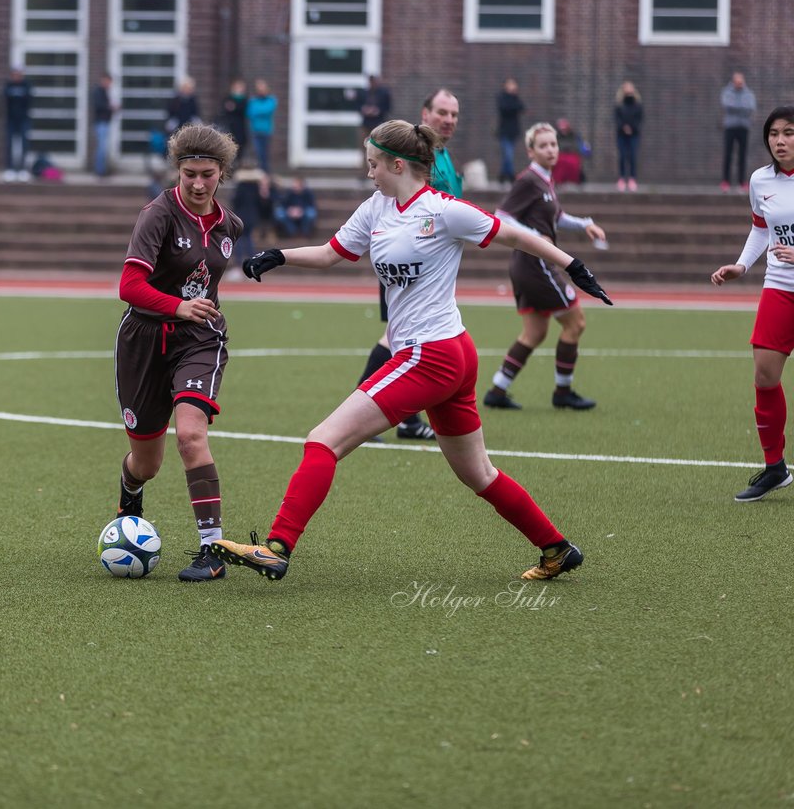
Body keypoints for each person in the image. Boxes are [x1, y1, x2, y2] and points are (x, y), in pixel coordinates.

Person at [209, 119, 613, 583]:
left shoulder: (444, 210)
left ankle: (277, 547)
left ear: (398, 164)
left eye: (374, 165)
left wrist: (573, 266)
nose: (369, 174)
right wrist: (280, 255)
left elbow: (516, 235)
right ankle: (558, 548)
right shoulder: (377, 207)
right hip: (447, 354)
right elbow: (330, 253)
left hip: (434, 354)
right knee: (478, 473)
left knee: (323, 440)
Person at [113, 123, 244, 582]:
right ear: (179, 171)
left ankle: (212, 551)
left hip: (200, 339)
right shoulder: (158, 215)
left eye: (207, 174)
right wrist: (176, 305)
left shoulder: (230, 225)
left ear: (222, 173)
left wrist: (192, 312)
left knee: (190, 435)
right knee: (146, 463)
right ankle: (130, 494)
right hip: (144, 341)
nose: (197, 183)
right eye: (189, 173)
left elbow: (204, 281)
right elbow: (129, 286)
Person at [357, 88, 463, 442]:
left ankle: (405, 418)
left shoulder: (444, 157)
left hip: (431, 265)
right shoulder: (410, 155)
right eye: (442, 112)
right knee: (397, 338)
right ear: (425, 113)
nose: (448, 120)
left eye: (454, 114)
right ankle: (366, 406)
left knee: (406, 340)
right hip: (405, 261)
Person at [483, 122, 609, 412]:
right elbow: (501, 216)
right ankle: (563, 392)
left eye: (554, 144)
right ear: (531, 151)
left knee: (535, 332)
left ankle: (497, 390)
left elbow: (558, 217)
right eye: (544, 146)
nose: (551, 149)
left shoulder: (544, 180)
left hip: (527, 264)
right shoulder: (528, 180)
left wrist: (585, 225)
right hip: (534, 262)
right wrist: (529, 234)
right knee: (575, 322)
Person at [709, 105, 794, 501]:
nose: (780, 140)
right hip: (778, 286)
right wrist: (742, 265)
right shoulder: (761, 180)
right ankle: (775, 467)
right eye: (774, 133)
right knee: (764, 376)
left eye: (789, 132)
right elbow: (761, 228)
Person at [230, 163, 271, 274]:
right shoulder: (256, 187)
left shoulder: (240, 186)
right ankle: (253, 264)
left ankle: (239, 266)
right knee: (248, 239)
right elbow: (262, 204)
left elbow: (235, 201)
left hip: (240, 216)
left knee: (239, 240)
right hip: (252, 216)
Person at [721, 71, 757, 192]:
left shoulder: (748, 93)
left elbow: (750, 107)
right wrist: (741, 107)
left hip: (744, 127)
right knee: (728, 154)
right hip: (730, 127)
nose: (739, 83)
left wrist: (736, 107)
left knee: (742, 155)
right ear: (733, 81)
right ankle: (726, 181)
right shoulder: (727, 92)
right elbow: (727, 105)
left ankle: (742, 182)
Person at [357, 74, 391, 176]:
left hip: (378, 125)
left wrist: (378, 111)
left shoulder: (383, 93)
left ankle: (378, 173)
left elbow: (387, 107)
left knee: (378, 150)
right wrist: (364, 110)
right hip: (365, 124)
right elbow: (357, 105)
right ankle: (364, 173)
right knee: (364, 149)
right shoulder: (364, 93)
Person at [4, 67, 33, 181]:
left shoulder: (27, 85)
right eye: (14, 74)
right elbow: (6, 99)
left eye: (19, 74)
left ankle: (23, 169)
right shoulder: (8, 85)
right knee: (9, 144)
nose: (17, 76)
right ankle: (10, 169)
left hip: (23, 120)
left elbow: (29, 100)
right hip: (11, 120)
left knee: (24, 145)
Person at [614, 81, 643, 191]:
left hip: (634, 134)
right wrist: (624, 127)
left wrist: (631, 128)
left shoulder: (637, 104)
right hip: (621, 134)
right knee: (622, 156)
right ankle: (621, 179)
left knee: (632, 156)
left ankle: (632, 179)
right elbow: (617, 119)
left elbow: (639, 119)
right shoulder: (619, 104)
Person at [496, 78, 525, 183]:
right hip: (504, 131)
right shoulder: (502, 97)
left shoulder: (515, 98)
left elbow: (521, 107)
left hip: (513, 131)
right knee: (508, 154)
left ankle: (503, 176)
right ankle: (511, 176)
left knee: (508, 154)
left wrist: (514, 96)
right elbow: (505, 108)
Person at [246, 78, 277, 174]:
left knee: (265, 153)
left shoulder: (271, 100)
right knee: (258, 152)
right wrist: (260, 111)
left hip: (266, 130)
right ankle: (260, 170)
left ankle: (265, 171)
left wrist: (258, 111)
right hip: (255, 130)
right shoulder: (253, 100)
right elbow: (250, 113)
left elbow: (268, 110)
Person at [91, 72, 118, 177]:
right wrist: (110, 107)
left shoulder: (105, 92)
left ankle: (101, 169)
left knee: (102, 148)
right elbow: (99, 106)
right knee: (101, 148)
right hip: (100, 123)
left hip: (104, 122)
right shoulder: (98, 92)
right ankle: (100, 171)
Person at [219, 78, 249, 165]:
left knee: (240, 143)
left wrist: (234, 107)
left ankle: (238, 162)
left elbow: (241, 109)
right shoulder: (228, 97)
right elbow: (226, 108)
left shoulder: (244, 99)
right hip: (230, 125)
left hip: (240, 125)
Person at [553, 117, 589, 185]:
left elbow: (582, 148)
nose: (563, 130)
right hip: (560, 157)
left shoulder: (575, 136)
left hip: (572, 156)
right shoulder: (555, 137)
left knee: (572, 162)